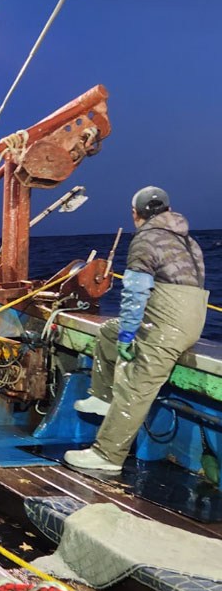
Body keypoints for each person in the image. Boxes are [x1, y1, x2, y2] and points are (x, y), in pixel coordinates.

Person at [65, 186, 208, 474]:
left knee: (136, 385)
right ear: (168, 210)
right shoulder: (189, 242)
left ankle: (107, 455)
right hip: (189, 322)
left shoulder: (145, 239)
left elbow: (135, 293)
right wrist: (123, 331)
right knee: (107, 332)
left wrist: (129, 335)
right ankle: (103, 398)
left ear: (135, 214)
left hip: (167, 327)